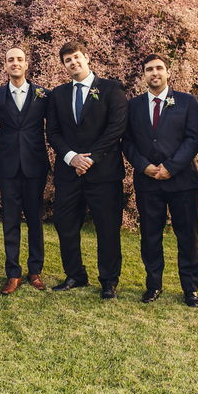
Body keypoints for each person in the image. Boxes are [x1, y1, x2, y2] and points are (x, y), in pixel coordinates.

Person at [47, 41, 128, 299]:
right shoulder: (58, 94)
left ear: (87, 57)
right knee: (66, 225)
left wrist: (91, 158)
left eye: (76, 57)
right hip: (69, 174)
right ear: (64, 65)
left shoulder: (111, 89)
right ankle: (75, 274)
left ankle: (108, 280)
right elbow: (53, 132)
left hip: (104, 173)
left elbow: (116, 128)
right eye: (67, 60)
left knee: (107, 228)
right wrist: (71, 157)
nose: (73, 62)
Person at [122, 54, 198, 305]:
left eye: (159, 68)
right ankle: (153, 285)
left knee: (187, 236)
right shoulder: (133, 106)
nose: (154, 73)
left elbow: (193, 139)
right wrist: (143, 166)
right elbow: (127, 141)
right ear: (144, 75)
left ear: (168, 72)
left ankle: (190, 288)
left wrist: (171, 167)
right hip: (148, 182)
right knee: (150, 236)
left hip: (182, 181)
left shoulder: (187, 102)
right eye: (149, 69)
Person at [0, 47, 51, 295]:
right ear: (5, 65)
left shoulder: (43, 94)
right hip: (9, 165)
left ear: (26, 64)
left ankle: (35, 271)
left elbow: (53, 127)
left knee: (34, 220)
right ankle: (13, 273)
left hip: (35, 165)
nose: (15, 63)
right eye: (10, 60)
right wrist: (7, 139)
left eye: (20, 59)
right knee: (10, 221)